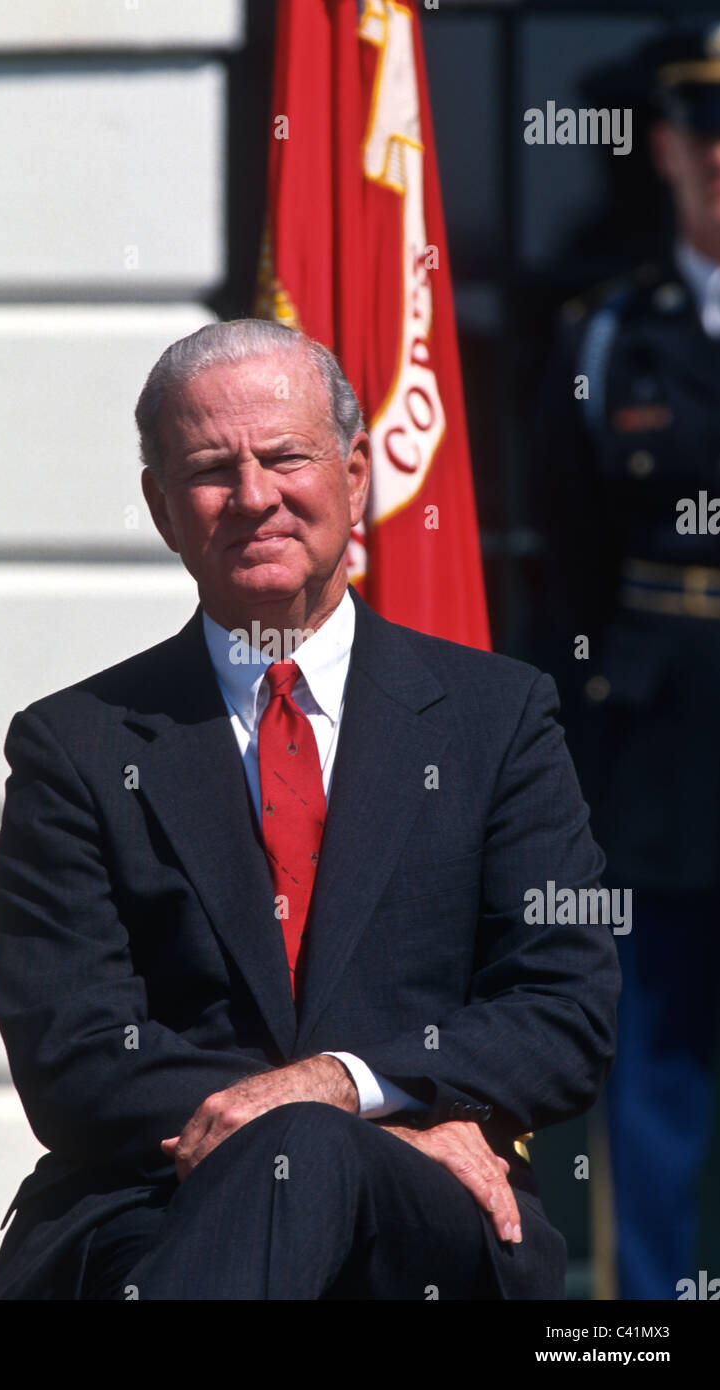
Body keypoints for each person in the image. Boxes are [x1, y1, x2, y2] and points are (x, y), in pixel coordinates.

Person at [0, 317, 619, 1301]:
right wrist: (322, 1113)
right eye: (209, 470)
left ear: (357, 477)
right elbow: (74, 1056)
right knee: (305, 1152)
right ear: (161, 507)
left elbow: (563, 1008)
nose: (253, 496)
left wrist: (338, 1086)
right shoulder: (78, 744)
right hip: (157, 1205)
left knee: (317, 1143)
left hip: (431, 1207)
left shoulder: (498, 718)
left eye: (285, 457)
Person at [533, 22, 720, 1302]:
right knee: (655, 1070)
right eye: (711, 136)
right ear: (665, 147)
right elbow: (571, 561)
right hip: (665, 755)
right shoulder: (610, 335)